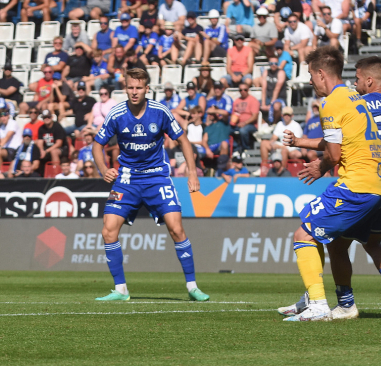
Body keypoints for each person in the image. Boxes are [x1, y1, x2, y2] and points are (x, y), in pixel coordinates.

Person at [282, 56, 381, 320]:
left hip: (358, 182)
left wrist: (319, 165)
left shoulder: (346, 101)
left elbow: (335, 150)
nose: (355, 84)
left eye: (357, 79)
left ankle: (325, 303)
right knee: (369, 243)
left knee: (311, 236)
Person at [90, 67, 209, 302]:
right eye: (130, 87)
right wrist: (103, 169)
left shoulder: (160, 111)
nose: (134, 92)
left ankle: (193, 286)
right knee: (108, 230)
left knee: (176, 229)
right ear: (125, 88)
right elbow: (97, 144)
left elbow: (183, 140)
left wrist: (192, 173)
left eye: (138, 88)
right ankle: (121, 289)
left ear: (147, 89)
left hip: (157, 177)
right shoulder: (116, 113)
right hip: (126, 179)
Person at [256, 54, 287, 125]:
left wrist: (271, 104)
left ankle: (274, 123)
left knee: (276, 106)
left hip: (279, 98)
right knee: (254, 104)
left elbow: (277, 89)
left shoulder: (281, 72)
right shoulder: (266, 72)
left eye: (276, 63)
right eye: (271, 63)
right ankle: (263, 123)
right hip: (268, 97)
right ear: (269, 64)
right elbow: (264, 88)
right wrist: (263, 104)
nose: (273, 65)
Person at [231, 83, 260, 151]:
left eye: (245, 90)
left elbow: (255, 116)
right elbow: (233, 114)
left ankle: (246, 149)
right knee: (226, 130)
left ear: (248, 90)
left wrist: (244, 123)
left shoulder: (253, 100)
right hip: (238, 123)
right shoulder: (236, 101)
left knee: (243, 130)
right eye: (241, 90)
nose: (243, 91)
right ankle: (236, 148)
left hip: (250, 124)